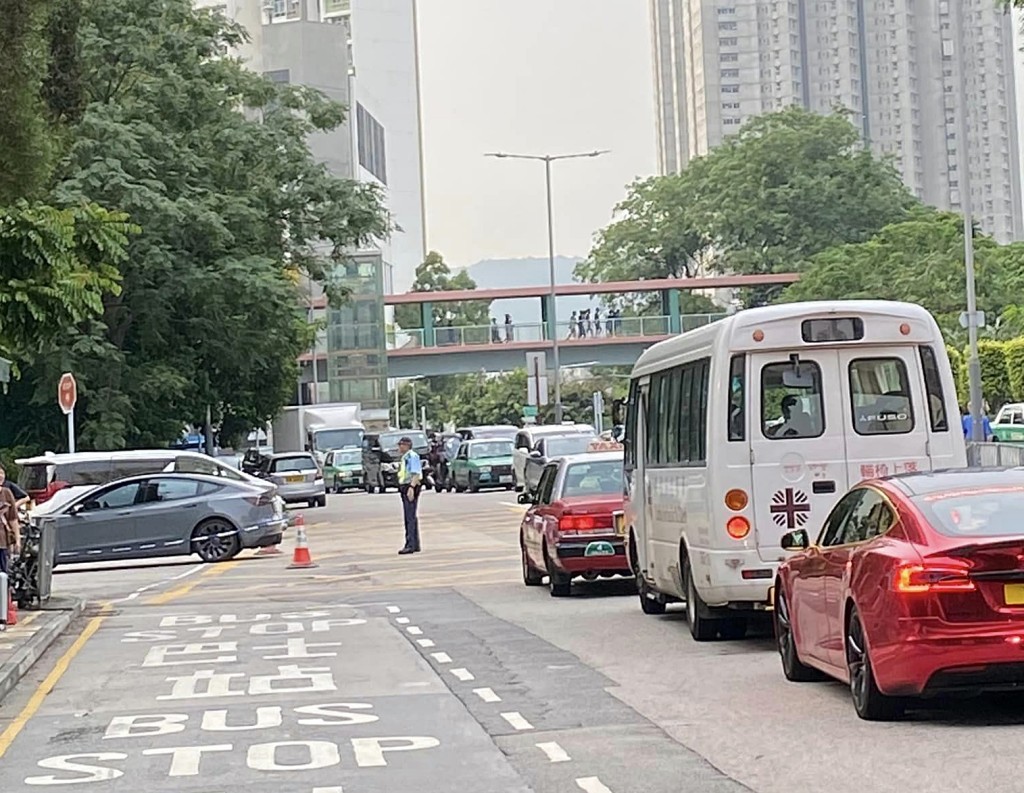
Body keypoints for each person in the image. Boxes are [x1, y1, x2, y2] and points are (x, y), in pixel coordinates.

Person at [396, 436, 423, 554]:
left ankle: (410, 544)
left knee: (409, 516)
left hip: (410, 486)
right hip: (406, 486)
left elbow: (416, 473)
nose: (399, 447)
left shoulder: (412, 456)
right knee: (411, 515)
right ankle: (415, 543)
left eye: (401, 444)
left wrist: (411, 488)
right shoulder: (406, 457)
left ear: (406, 445)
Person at [0, 483, 20, 581]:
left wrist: (17, 539)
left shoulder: (6, 493)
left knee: (4, 574)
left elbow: (13, 519)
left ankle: (4, 593)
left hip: (2, 543)